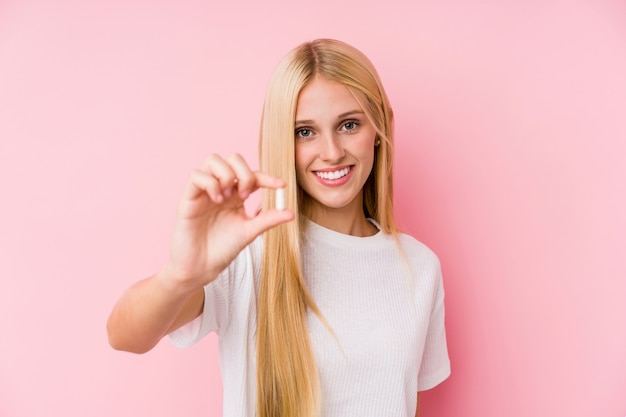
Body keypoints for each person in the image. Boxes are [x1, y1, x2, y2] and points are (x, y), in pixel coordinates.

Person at [107, 38, 450, 417]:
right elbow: (125, 336)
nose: (332, 152)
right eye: (305, 132)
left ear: (381, 127)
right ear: (282, 140)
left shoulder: (420, 267)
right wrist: (179, 275)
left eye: (349, 124)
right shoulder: (249, 254)